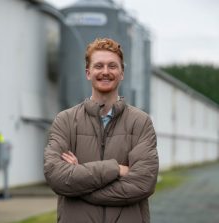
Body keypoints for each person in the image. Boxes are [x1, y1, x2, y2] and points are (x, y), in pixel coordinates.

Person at [44, 38, 159, 223]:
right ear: (88, 73)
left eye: (112, 66)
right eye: (99, 66)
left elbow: (143, 183)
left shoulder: (140, 122)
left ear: (122, 73)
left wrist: (80, 184)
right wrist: (116, 169)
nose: (105, 72)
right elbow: (57, 177)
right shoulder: (65, 120)